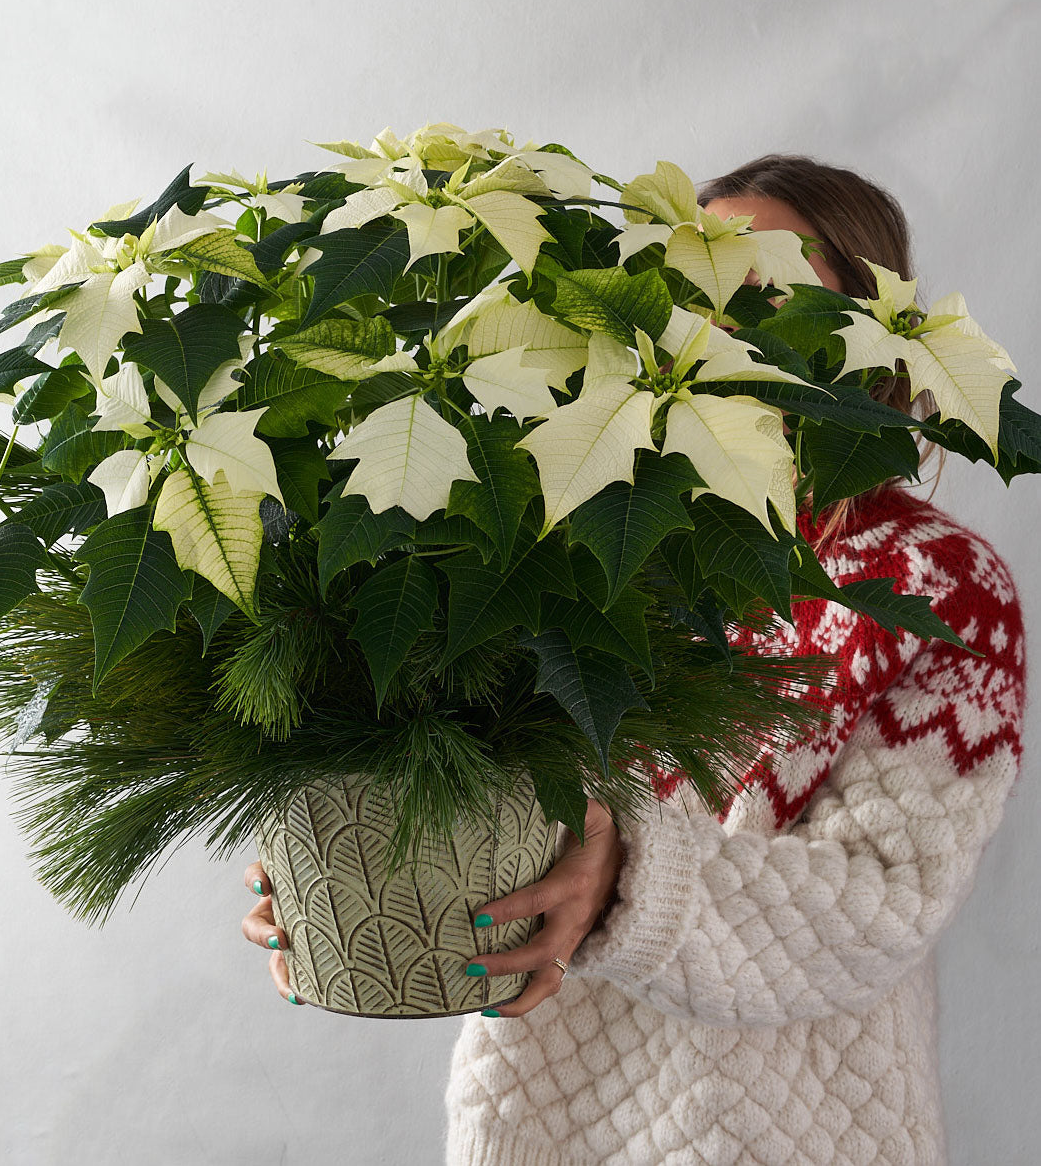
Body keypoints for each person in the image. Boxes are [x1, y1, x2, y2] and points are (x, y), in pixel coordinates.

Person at [241, 155, 1028, 1165]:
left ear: (865, 333)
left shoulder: (937, 588)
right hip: (537, 1117)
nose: (724, 318)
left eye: (768, 292)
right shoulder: (578, 546)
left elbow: (881, 903)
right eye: (694, 283)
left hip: (781, 1134)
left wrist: (626, 877)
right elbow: (478, 793)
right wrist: (352, 862)